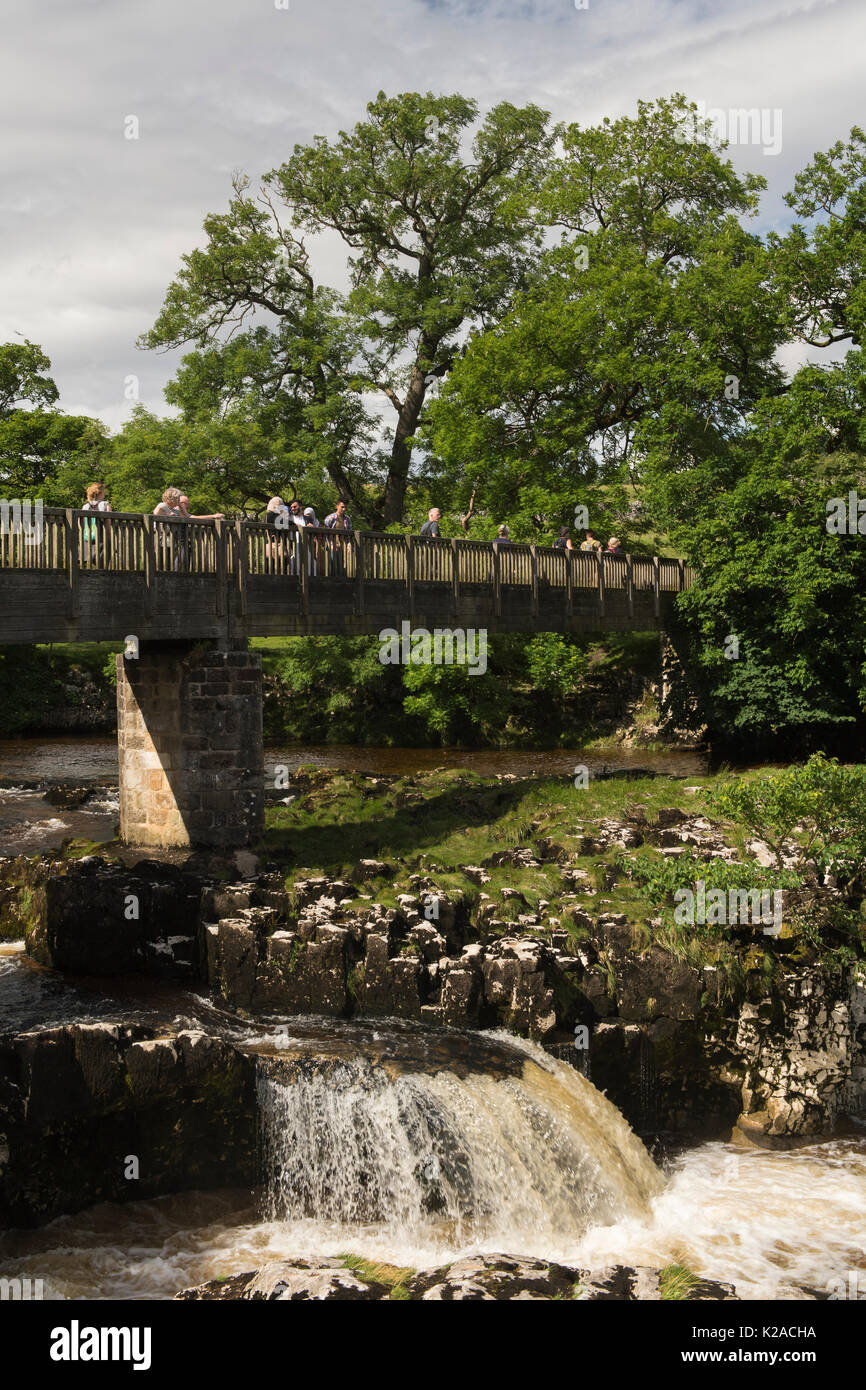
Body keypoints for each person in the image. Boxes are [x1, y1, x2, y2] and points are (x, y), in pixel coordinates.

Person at [81, 482, 111, 568]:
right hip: (101, 537)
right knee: (103, 559)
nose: (105, 494)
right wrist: (109, 534)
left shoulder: (85, 506)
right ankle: (102, 571)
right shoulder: (105, 504)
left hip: (88, 537)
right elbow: (108, 521)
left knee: (89, 558)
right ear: (100, 493)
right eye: (104, 491)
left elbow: (81, 523)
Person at [324, 499, 352, 576]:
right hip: (332, 545)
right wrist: (331, 544)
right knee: (332, 566)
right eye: (342, 507)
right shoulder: (330, 518)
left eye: (345, 507)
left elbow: (349, 533)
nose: (344, 509)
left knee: (343, 566)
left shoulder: (347, 519)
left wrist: (349, 544)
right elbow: (326, 533)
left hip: (343, 546)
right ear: (337, 506)